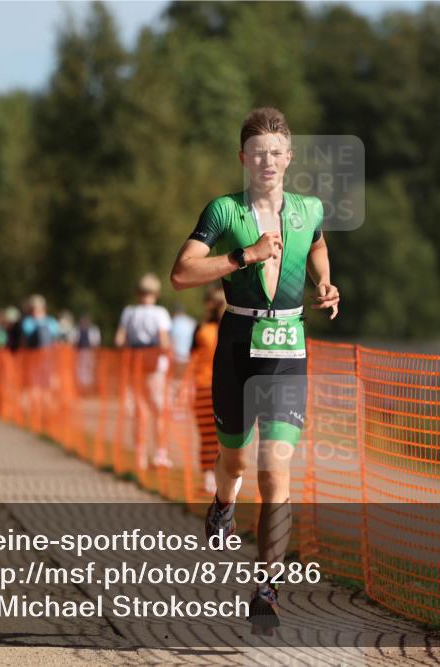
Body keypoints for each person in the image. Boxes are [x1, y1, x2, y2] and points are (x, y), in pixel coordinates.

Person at [169, 107, 340, 633]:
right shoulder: (224, 211)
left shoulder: (309, 207)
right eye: (257, 153)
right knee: (236, 462)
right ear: (244, 158)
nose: (267, 161)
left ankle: (266, 588)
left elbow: (316, 244)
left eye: (276, 153)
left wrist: (324, 283)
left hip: (288, 346)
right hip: (237, 344)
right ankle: (223, 502)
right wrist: (244, 257)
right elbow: (180, 274)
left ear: (289, 159)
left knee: (275, 471)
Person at [115, 273, 173, 469]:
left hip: (135, 364)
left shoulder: (129, 312)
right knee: (158, 411)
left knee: (140, 411)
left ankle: (140, 456)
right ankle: (160, 454)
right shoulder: (160, 313)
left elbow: (119, 340)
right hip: (155, 366)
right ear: (156, 292)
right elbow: (164, 340)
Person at [191, 285, 226, 496]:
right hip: (207, 387)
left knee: (217, 439)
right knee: (213, 438)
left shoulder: (204, 329)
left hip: (218, 387)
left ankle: (215, 479)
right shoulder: (204, 330)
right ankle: (209, 478)